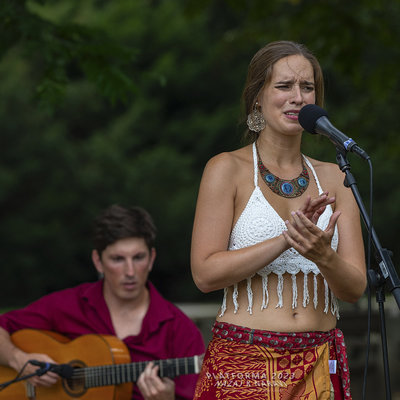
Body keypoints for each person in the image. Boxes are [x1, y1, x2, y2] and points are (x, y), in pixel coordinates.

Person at [190, 40, 366, 399]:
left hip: (319, 358)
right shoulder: (226, 169)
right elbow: (204, 274)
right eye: (284, 86)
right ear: (257, 96)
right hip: (245, 361)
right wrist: (287, 239)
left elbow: (354, 289)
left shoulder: (336, 176)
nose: (297, 97)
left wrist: (323, 254)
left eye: (307, 87)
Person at [0, 204, 205, 400]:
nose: (130, 272)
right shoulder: (69, 305)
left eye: (138, 257)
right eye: (117, 259)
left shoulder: (180, 330)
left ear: (151, 259)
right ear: (98, 261)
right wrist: (18, 359)